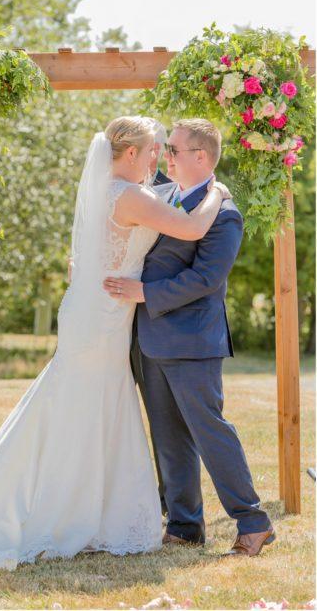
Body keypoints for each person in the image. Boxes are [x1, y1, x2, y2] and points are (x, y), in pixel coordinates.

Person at [0, 116, 230, 579]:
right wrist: (216, 191)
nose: (158, 158)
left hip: (101, 314)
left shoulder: (113, 190)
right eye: (153, 149)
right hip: (101, 319)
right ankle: (73, 513)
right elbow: (191, 229)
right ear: (130, 154)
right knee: (86, 407)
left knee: (90, 407)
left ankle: (94, 511)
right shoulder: (128, 195)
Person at [104, 118, 275, 557]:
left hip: (193, 341)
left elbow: (206, 278)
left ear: (201, 157)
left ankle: (253, 522)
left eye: (174, 150)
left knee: (209, 431)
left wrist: (147, 292)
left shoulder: (226, 213)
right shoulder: (163, 194)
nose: (165, 157)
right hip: (149, 339)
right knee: (167, 435)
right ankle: (184, 525)